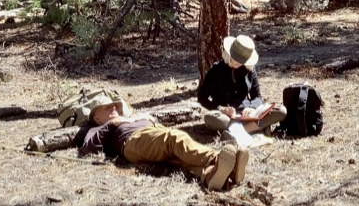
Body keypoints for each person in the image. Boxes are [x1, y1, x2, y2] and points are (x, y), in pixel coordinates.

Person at [79, 95, 246, 190]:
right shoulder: (98, 128)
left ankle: (210, 175)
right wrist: (113, 123)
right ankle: (217, 158)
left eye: (114, 106)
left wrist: (147, 120)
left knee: (179, 158)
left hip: (153, 134)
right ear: (97, 117)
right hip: (134, 140)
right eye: (107, 107)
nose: (113, 108)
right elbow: (88, 147)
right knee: (174, 139)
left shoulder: (128, 118)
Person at [198, 35, 286, 133]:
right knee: (210, 117)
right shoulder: (216, 70)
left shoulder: (249, 69)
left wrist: (252, 108)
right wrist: (220, 108)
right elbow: (202, 97)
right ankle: (253, 128)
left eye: (243, 60)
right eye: (237, 58)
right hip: (227, 117)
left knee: (281, 110)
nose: (240, 63)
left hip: (249, 115)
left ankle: (238, 132)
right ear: (229, 54)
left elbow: (257, 96)